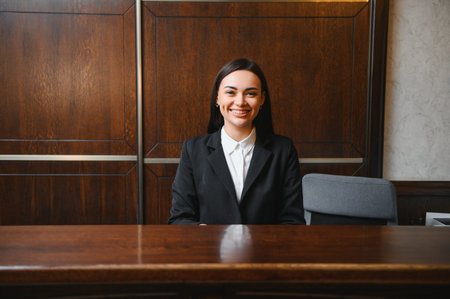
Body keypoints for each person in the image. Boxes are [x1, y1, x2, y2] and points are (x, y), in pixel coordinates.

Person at [168, 58, 305, 225]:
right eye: (231, 92)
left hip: (267, 250)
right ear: (217, 97)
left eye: (251, 93)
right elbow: (180, 219)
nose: (240, 102)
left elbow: (292, 221)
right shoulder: (193, 149)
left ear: (262, 99)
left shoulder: (283, 150)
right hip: (209, 249)